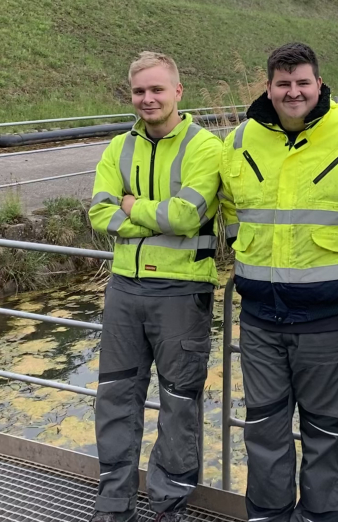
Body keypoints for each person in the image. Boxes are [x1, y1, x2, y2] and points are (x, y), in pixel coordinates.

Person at [219, 42, 338, 522]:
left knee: (327, 437)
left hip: (334, 324)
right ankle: (268, 516)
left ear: (319, 84)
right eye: (283, 83)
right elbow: (233, 207)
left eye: (303, 82)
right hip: (262, 320)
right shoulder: (240, 140)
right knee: (262, 431)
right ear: (267, 87)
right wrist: (246, 250)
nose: (293, 91)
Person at [88, 51, 223, 522]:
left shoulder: (206, 147)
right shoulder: (117, 148)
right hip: (124, 289)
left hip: (183, 293)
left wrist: (132, 206)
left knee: (179, 406)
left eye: (157, 89)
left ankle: (169, 507)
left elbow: (187, 216)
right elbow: (100, 214)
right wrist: (147, 212)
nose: (148, 98)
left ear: (178, 92)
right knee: (114, 398)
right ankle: (113, 504)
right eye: (140, 91)